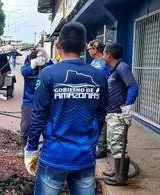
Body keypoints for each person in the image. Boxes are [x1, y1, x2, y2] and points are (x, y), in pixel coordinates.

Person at [24, 22, 108, 195]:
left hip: (54, 156)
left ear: (58, 45)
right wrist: (89, 142)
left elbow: (38, 115)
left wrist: (31, 148)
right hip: (84, 156)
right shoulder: (99, 76)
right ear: (85, 47)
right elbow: (100, 116)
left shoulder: (48, 74)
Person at [102, 43, 138, 180]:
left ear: (109, 55)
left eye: (104, 54)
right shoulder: (115, 69)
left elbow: (133, 86)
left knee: (118, 146)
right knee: (113, 145)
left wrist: (128, 108)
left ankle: (121, 177)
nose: (103, 57)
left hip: (118, 114)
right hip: (112, 113)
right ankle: (117, 172)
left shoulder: (122, 68)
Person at [19, 48, 51, 156]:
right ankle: (24, 149)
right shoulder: (29, 63)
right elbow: (23, 72)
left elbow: (54, 72)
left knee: (46, 127)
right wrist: (33, 65)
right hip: (29, 101)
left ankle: (45, 149)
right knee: (25, 127)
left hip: (45, 102)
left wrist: (46, 62)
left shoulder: (48, 64)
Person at [87, 39, 110, 159]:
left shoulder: (104, 63)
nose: (89, 51)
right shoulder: (93, 62)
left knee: (103, 120)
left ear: (95, 49)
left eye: (90, 49)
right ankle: (97, 144)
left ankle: (102, 148)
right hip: (94, 97)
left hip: (102, 97)